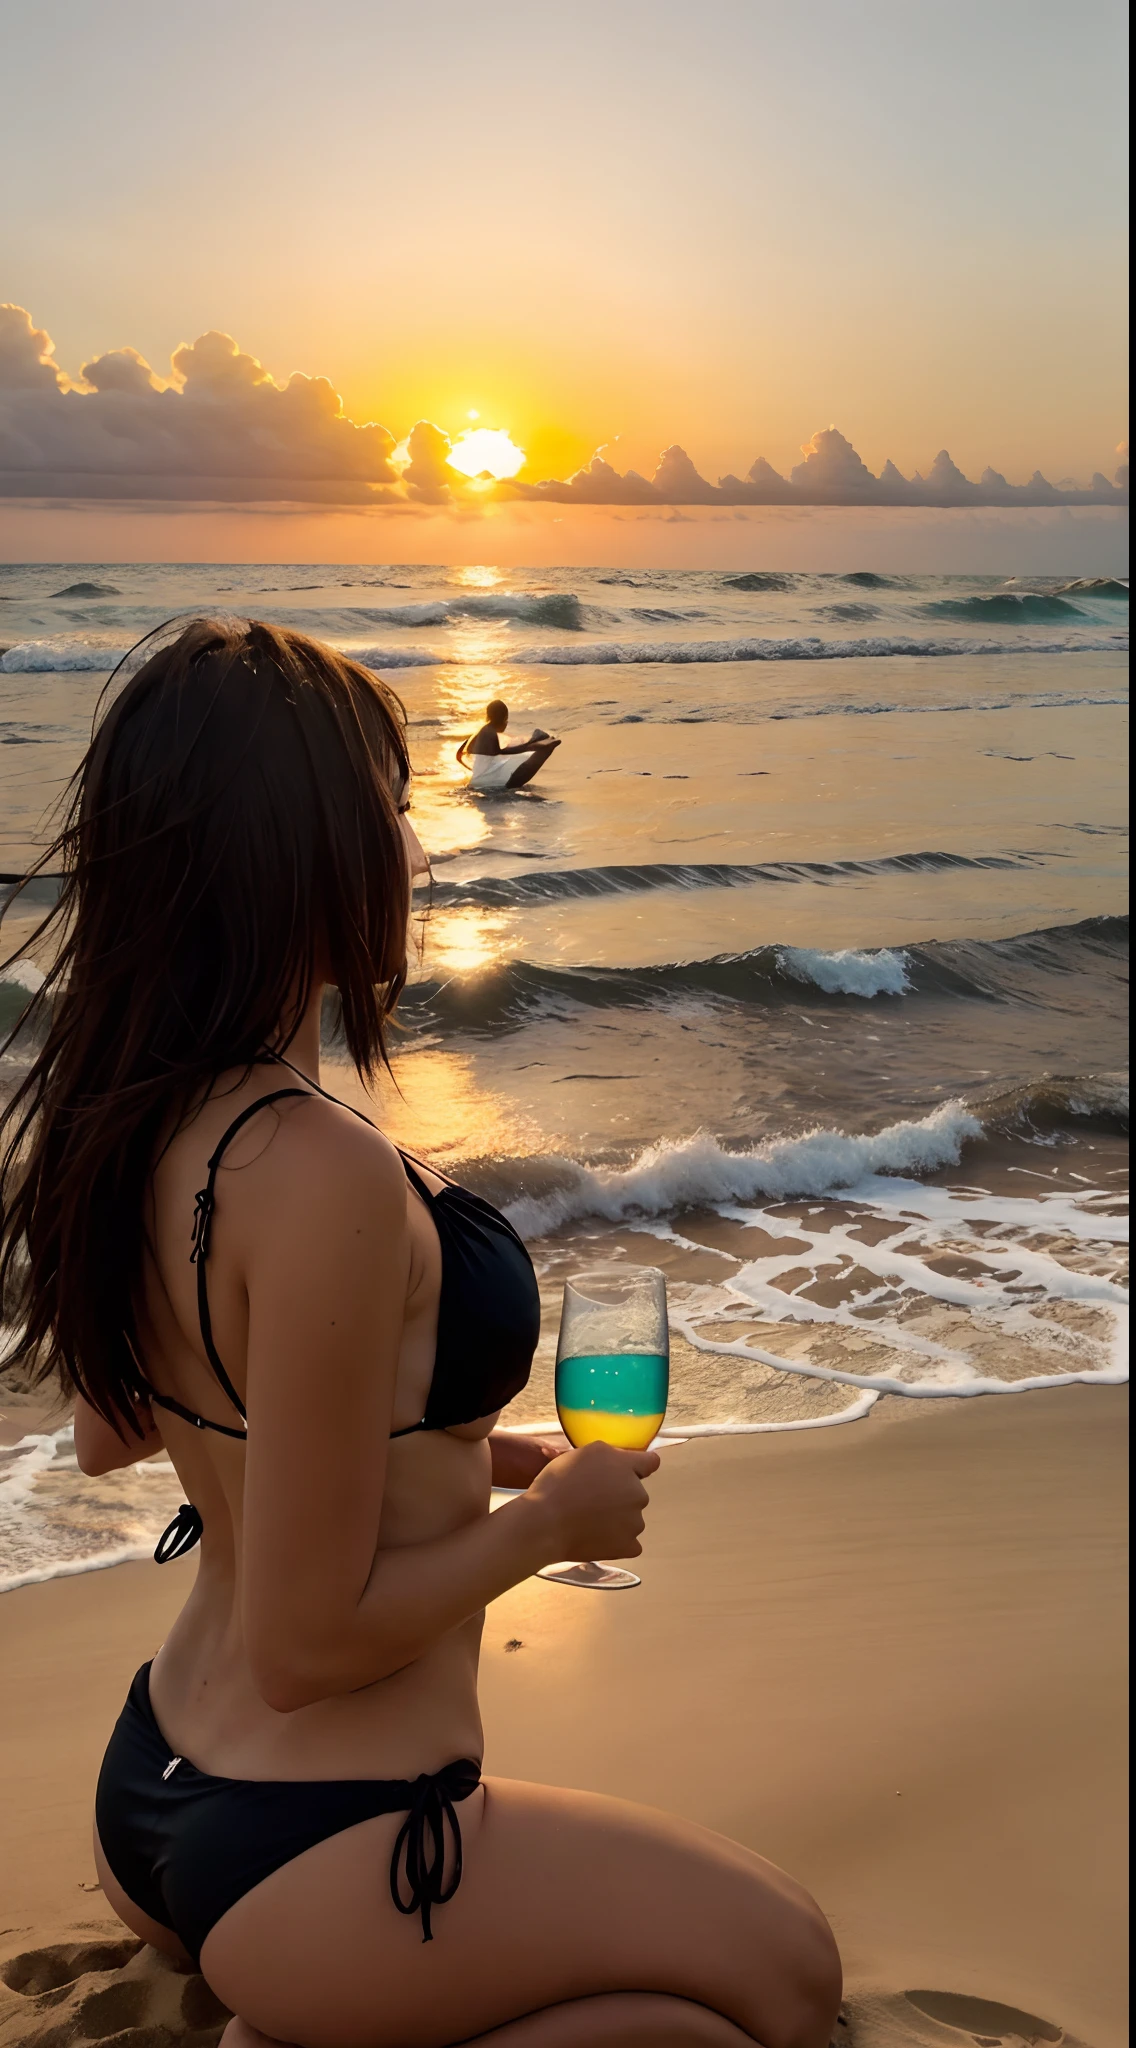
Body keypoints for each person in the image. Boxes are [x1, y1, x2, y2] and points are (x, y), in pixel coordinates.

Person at [0, 618, 840, 2048]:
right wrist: (555, 1524)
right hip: (324, 1835)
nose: (415, 844)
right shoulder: (312, 1163)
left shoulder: (135, 1114)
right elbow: (307, 1645)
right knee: (781, 1983)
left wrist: (463, 1453)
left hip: (158, 1782)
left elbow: (126, 1428)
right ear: (302, 848)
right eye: (388, 807)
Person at [456, 699, 561, 791]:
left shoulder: (482, 730)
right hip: (488, 779)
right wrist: (529, 747)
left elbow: (459, 755)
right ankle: (541, 744)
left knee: (533, 752)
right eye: (506, 719)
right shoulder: (489, 731)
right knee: (539, 753)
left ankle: (540, 742)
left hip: (483, 775)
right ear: (503, 718)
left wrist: (474, 769)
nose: (506, 723)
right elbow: (501, 751)